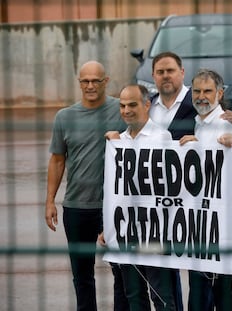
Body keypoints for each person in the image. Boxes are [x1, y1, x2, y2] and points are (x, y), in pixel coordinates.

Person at [44, 60, 126, 311]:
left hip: (113, 207)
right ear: (79, 82)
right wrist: (50, 201)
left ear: (106, 82)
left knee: (122, 273)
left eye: (96, 81)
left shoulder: (122, 110)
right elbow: (57, 160)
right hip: (76, 208)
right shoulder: (65, 117)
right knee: (82, 276)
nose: (90, 86)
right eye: (85, 81)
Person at [104, 84, 181, 310]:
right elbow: (113, 190)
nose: (126, 110)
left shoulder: (162, 137)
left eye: (132, 105)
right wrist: (107, 226)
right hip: (126, 231)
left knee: (161, 296)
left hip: (155, 233)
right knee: (134, 296)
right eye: (122, 105)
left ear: (147, 105)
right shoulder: (118, 141)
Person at [179, 68, 232, 311]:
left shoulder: (227, 124)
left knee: (220, 284)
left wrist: (199, 146)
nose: (201, 96)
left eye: (208, 91)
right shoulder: (197, 123)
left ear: (220, 93)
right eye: (196, 91)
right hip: (199, 215)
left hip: (223, 218)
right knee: (199, 284)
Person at [149, 51, 198, 311]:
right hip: (156, 207)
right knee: (161, 276)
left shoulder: (201, 99)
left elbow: (223, 128)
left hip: (194, 207)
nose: (165, 76)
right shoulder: (147, 106)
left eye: (170, 70)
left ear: (182, 72)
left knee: (200, 277)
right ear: (153, 76)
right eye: (160, 72)